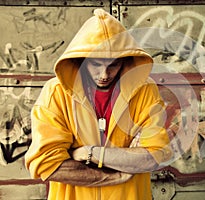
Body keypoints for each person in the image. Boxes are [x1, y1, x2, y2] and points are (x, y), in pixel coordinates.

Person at [25, 8, 172, 200]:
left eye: (113, 65)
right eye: (96, 64)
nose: (104, 75)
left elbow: (153, 157)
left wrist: (88, 152)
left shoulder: (144, 90)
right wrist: (117, 174)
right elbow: (45, 164)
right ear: (81, 61)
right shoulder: (56, 93)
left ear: (125, 62)